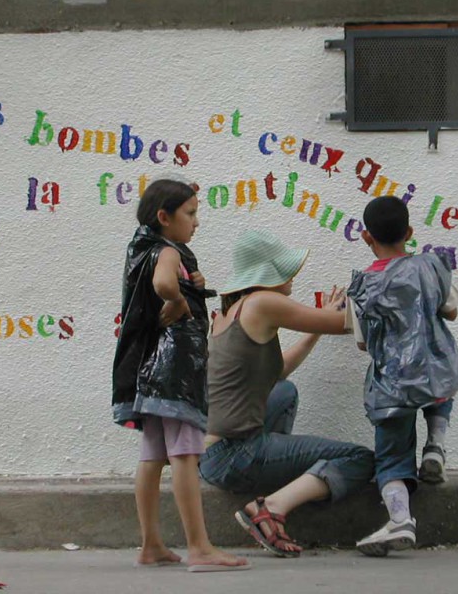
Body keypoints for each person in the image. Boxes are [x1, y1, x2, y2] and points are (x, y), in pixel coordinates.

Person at [199, 229, 375, 558]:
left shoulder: (231, 312)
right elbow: (343, 324)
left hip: (212, 453)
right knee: (360, 458)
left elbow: (275, 373)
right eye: (286, 268)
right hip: (236, 456)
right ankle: (271, 507)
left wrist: (318, 328)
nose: (293, 275)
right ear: (268, 273)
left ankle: (276, 476)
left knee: (285, 391)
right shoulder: (264, 303)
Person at [112, 179, 249, 572]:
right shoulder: (168, 251)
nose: (196, 222)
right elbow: (163, 283)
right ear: (163, 217)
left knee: (152, 456)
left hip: (149, 374)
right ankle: (200, 548)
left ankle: (151, 544)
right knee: (187, 454)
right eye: (190, 213)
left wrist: (192, 289)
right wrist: (177, 300)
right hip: (175, 374)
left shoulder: (142, 249)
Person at [348, 196, 458, 557]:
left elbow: (363, 344)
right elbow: (452, 310)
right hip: (434, 370)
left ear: (367, 238)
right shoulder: (431, 265)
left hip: (392, 385)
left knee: (391, 461)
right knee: (441, 385)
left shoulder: (362, 286)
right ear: (410, 233)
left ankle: (400, 518)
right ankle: (435, 444)